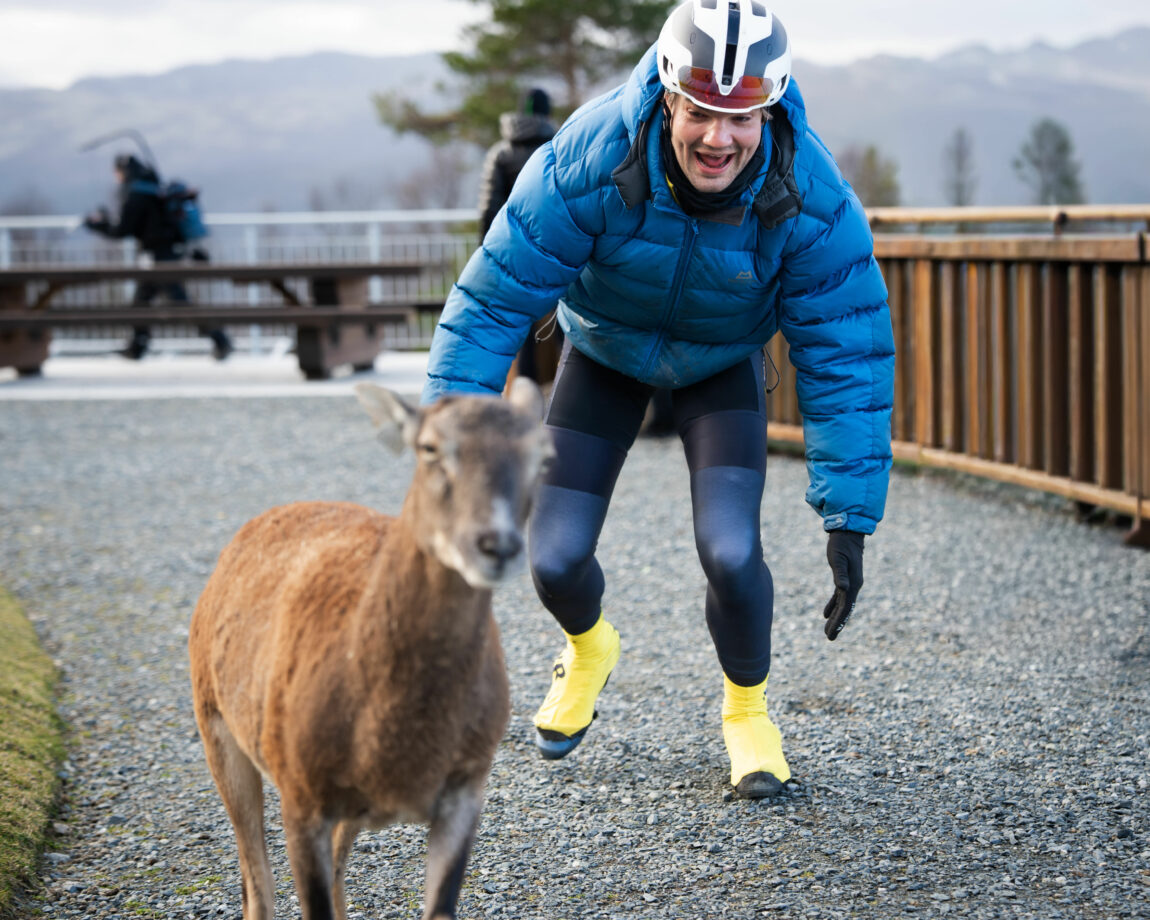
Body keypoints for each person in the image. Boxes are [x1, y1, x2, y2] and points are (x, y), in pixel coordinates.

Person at [423, 0, 894, 799]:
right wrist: (453, 450)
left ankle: (747, 713)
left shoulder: (807, 187)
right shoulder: (594, 151)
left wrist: (849, 514)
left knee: (732, 551)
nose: (719, 136)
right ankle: (590, 647)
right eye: (701, 110)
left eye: (742, 115)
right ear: (669, 96)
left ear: (769, 108)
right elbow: (493, 299)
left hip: (721, 365)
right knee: (556, 557)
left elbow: (845, 344)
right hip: (604, 350)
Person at [83, 153, 233, 361]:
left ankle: (220, 339)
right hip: (165, 253)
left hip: (158, 257)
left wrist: (97, 225)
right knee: (141, 302)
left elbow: (122, 229)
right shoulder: (152, 188)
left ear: (124, 171)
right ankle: (137, 347)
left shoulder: (137, 195)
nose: (116, 177)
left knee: (178, 303)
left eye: (116, 173)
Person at [477, 88, 562, 385]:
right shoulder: (559, 146)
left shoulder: (500, 153)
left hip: (513, 249)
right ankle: (565, 391)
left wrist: (487, 255)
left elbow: (489, 209)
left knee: (519, 320)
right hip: (559, 248)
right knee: (565, 319)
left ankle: (525, 390)